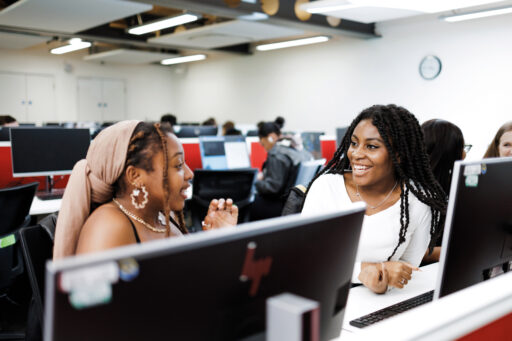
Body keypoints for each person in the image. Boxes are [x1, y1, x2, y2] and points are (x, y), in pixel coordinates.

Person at [302, 105, 446, 294]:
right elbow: (306, 259)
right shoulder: (326, 187)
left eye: (371, 146)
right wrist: (363, 271)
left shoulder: (418, 200)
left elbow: (407, 267)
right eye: (354, 143)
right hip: (323, 294)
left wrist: (384, 279)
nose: (356, 154)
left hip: (379, 303)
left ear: (399, 154)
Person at [53, 121, 237, 259]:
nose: (190, 174)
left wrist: (216, 239)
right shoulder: (109, 227)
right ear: (135, 176)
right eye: (178, 165)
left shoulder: (163, 217)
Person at [421, 119, 467, 263]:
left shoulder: (451, 188)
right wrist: (447, 251)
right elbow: (402, 252)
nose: (465, 155)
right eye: (461, 149)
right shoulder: (411, 195)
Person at [250, 118, 312, 221]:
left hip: (279, 206)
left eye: (261, 138)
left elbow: (272, 188)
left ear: (271, 137)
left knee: (249, 203)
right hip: (295, 204)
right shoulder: (296, 150)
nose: (260, 143)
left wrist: (254, 181)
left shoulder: (276, 154)